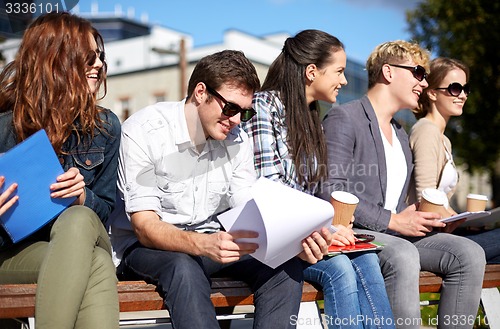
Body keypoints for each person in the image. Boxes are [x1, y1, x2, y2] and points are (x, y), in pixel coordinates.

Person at [109, 50, 314, 329]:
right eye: (231, 108)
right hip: (145, 247)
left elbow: (247, 209)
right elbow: (145, 227)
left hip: (211, 244)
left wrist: (295, 240)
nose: (238, 120)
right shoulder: (145, 130)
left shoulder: (237, 140)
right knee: (184, 266)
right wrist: (202, 244)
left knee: (284, 267)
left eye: (246, 112)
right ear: (201, 93)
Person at [318, 40, 486, 329]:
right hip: (357, 234)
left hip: (395, 234)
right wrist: (394, 221)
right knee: (403, 255)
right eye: (418, 73)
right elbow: (332, 188)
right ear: (388, 72)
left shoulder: (400, 132)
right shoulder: (345, 117)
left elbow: (398, 202)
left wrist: (425, 217)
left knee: (470, 253)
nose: (423, 82)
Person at [241, 29, 395, 329]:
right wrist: (323, 228)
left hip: (304, 237)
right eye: (338, 71)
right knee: (338, 268)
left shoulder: (311, 115)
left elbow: (311, 193)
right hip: (270, 238)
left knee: (366, 259)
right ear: (312, 71)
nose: (345, 80)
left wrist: (333, 225)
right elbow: (269, 191)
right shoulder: (264, 107)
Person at [0, 12, 120, 329]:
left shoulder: (105, 128)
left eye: (100, 58)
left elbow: (106, 208)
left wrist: (83, 197)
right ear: (55, 61)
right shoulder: (3, 128)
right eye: (88, 58)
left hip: (85, 236)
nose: (98, 65)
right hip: (15, 253)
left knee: (79, 218)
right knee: (95, 267)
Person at [409, 57, 500, 264]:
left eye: (465, 89)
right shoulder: (426, 131)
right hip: (422, 240)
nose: (463, 95)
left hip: (440, 235)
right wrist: (462, 221)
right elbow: (427, 199)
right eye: (455, 88)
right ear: (432, 93)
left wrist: (466, 220)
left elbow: (441, 205)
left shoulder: (444, 140)